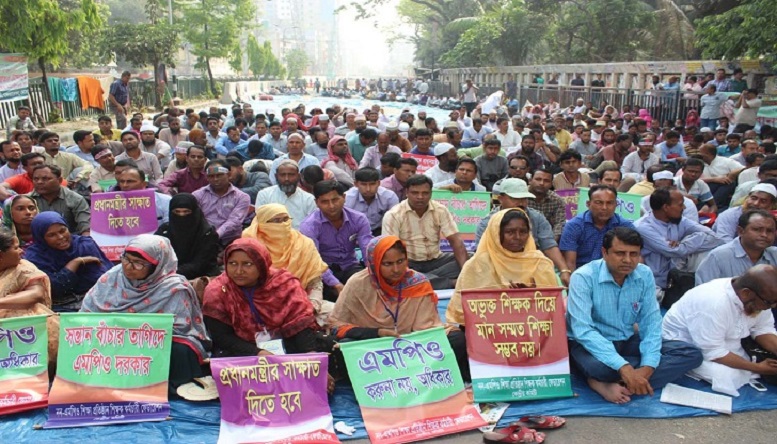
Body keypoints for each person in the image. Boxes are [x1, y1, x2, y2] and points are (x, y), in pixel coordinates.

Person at [566, 227, 703, 404]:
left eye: (634, 254)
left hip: (627, 338)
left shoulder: (644, 274)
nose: (628, 260)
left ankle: (616, 382)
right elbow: (583, 330)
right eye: (620, 253)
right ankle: (602, 379)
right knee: (600, 368)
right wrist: (623, 366)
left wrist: (646, 368)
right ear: (604, 252)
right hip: (591, 343)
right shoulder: (583, 277)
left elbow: (651, 323)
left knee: (691, 354)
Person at [80, 234, 211, 393]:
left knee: (180, 351)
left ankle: (170, 389)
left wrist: (138, 333)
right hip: (113, 336)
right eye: (126, 259)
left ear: (157, 265)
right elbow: (88, 312)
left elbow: (180, 328)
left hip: (155, 340)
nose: (128, 267)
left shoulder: (174, 287)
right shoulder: (113, 276)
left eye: (139, 263)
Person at [328, 235, 470, 380]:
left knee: (457, 339)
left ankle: (417, 377)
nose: (396, 269)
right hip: (375, 344)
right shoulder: (358, 284)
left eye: (400, 261)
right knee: (345, 348)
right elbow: (336, 326)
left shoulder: (417, 282)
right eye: (387, 264)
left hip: (413, 345)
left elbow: (428, 329)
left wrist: (408, 340)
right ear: (374, 263)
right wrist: (378, 332)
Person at [202, 238, 337, 390]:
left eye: (247, 264)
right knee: (230, 372)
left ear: (261, 264)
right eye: (232, 264)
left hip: (286, 342)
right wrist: (258, 353)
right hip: (244, 349)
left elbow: (300, 326)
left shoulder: (284, 284)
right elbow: (222, 337)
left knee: (330, 351)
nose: (238, 271)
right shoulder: (218, 291)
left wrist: (312, 361)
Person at [662, 265, 777, 396]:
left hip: (728, 342)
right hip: (688, 345)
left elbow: (763, 328)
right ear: (746, 293)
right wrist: (758, 368)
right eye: (769, 302)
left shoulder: (760, 296)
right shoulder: (715, 302)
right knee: (727, 376)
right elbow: (713, 351)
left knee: (754, 366)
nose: (772, 307)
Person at [448, 208, 559, 324]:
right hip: (487, 327)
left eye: (523, 232)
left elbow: (553, 308)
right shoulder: (477, 264)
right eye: (510, 232)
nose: (517, 237)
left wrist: (532, 296)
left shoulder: (540, 263)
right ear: (497, 234)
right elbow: (463, 310)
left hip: (532, 326)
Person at [382, 174, 469, 290]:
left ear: (431, 193)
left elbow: (456, 242)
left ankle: (426, 280)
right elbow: (390, 250)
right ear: (407, 192)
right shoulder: (394, 215)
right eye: (415, 193)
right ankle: (449, 282)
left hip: (436, 260)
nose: (420, 197)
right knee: (397, 273)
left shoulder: (440, 210)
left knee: (473, 259)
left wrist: (466, 273)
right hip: (408, 264)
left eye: (425, 193)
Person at [635, 187, 724, 292]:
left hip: (680, 276)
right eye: (680, 205)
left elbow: (715, 238)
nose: (684, 208)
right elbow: (672, 251)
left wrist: (684, 242)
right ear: (666, 207)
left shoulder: (680, 221)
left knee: (706, 252)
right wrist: (684, 246)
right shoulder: (643, 227)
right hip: (655, 282)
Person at [300, 180, 372, 301]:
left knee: (367, 290)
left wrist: (374, 274)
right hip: (323, 271)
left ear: (344, 197)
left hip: (350, 265)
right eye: (325, 202)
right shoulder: (309, 226)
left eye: (335, 200)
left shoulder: (358, 219)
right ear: (316, 203)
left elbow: (367, 249)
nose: (331, 206)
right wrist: (335, 284)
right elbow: (314, 260)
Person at [24, 212, 112, 311]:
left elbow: (100, 280)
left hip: (93, 299)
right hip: (58, 305)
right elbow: (54, 288)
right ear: (41, 237)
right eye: (52, 235)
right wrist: (75, 263)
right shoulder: (35, 256)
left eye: (63, 231)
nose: (61, 237)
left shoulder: (84, 245)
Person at [0, 228, 59, 368]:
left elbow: (36, 294)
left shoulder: (23, 267)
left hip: (22, 331)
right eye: (15, 248)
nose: (21, 251)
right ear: (1, 256)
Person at [560, 185, 635, 271]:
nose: (604, 208)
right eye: (599, 203)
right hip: (581, 273)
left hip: (613, 273)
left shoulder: (625, 226)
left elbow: (634, 256)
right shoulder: (574, 226)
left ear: (616, 205)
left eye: (609, 203)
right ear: (588, 204)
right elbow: (570, 263)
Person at [695, 209, 777, 286]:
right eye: (757, 229)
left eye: (769, 231)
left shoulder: (774, 254)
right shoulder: (718, 257)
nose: (764, 235)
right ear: (741, 231)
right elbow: (704, 293)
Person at [155, 193, 220, 280]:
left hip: (202, 277)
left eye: (186, 212)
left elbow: (200, 264)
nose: (181, 216)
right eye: (177, 212)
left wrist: (170, 274)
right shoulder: (165, 230)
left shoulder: (207, 233)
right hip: (168, 276)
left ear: (195, 212)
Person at [193, 160, 251, 245]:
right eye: (211, 176)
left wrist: (215, 235)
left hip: (231, 241)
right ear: (207, 177)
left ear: (229, 175)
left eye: (219, 175)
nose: (215, 179)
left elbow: (235, 221)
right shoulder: (197, 195)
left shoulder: (242, 197)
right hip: (203, 240)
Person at [28, 165, 91, 235]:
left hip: (68, 241)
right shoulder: (27, 200)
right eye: (36, 179)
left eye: (45, 179)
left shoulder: (76, 199)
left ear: (60, 180)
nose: (39, 182)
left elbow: (86, 228)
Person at [255, 158, 316, 230]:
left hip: (299, 239)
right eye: (282, 175)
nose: (286, 179)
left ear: (299, 176)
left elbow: (311, 226)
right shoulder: (264, 195)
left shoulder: (308, 199)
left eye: (291, 175)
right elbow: (261, 222)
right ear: (276, 176)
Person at [713, 183, 777, 243]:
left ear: (771, 205)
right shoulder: (729, 215)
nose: (756, 203)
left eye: (763, 201)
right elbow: (724, 241)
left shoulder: (770, 219)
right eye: (753, 198)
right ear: (747, 198)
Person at [345, 167, 399, 235]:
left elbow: (395, 221)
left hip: (380, 231)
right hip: (354, 232)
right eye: (364, 184)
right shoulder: (347, 198)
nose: (368, 189)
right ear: (356, 184)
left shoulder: (389, 197)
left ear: (379, 183)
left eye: (372, 184)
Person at [527, 168, 566, 240]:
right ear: (530, 180)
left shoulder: (557, 200)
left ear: (551, 184)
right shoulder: (521, 197)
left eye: (546, 181)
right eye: (538, 179)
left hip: (547, 238)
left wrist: (550, 244)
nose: (541, 183)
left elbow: (559, 224)